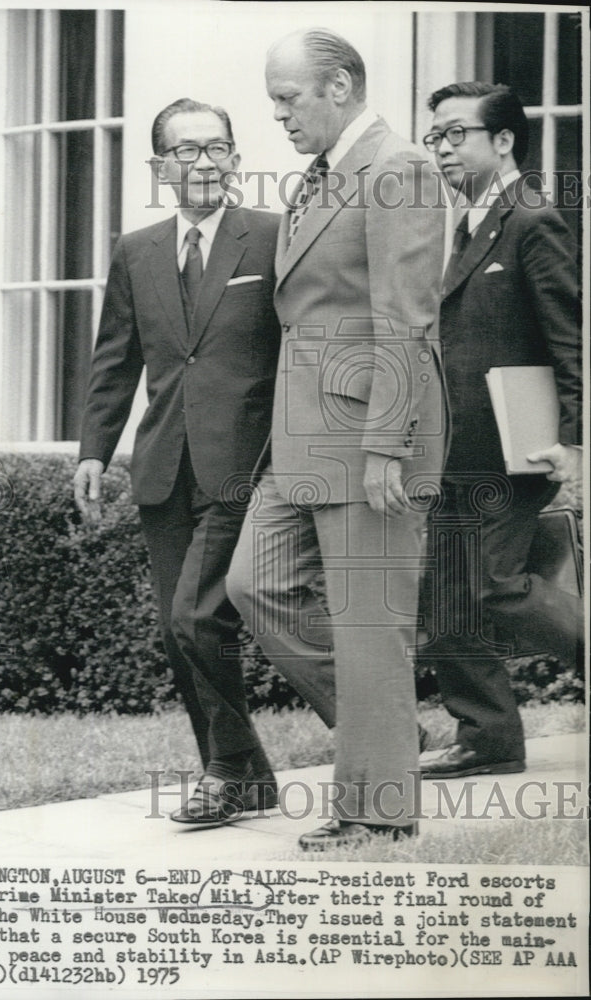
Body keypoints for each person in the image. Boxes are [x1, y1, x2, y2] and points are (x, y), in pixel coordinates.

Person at [227, 29, 446, 849]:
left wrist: (387, 443)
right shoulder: (321, 176)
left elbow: (405, 318)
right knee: (256, 583)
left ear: (341, 87)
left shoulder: (398, 168)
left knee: (368, 627)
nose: (278, 115)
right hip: (304, 439)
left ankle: (379, 810)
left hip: (367, 440)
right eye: (274, 100)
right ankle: (389, 730)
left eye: (288, 99)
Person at [74, 98, 282, 826]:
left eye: (216, 148)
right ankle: (243, 772)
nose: (203, 162)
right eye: (186, 151)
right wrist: (94, 451)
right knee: (177, 627)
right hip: (163, 465)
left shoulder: (273, 238)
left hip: (243, 465)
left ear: (235, 158)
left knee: (198, 617)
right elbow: (115, 361)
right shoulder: (135, 250)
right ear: (159, 167)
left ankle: (227, 773)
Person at [416, 82, 583, 780]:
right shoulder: (455, 226)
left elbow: (568, 338)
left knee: (490, 583)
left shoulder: (530, 219)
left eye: (457, 133)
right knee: (444, 596)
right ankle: (486, 738)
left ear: (504, 141)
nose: (444, 148)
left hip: (514, 448)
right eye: (437, 138)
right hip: (454, 449)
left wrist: (573, 442)